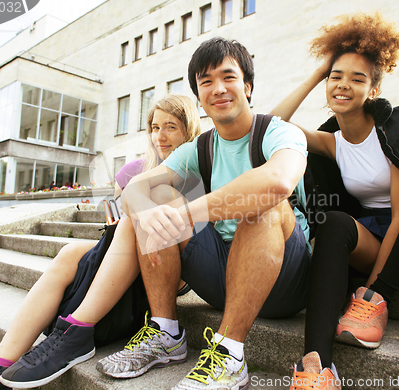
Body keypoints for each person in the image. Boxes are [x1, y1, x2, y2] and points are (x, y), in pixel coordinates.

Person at [96, 37, 311, 390]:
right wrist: (148, 211)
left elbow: (278, 181)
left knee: (262, 201)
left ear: (248, 85)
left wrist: (186, 213)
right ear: (199, 96)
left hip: (285, 278)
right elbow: (136, 187)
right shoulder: (201, 146)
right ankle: (166, 334)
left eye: (228, 77)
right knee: (158, 194)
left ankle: (230, 354)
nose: (218, 89)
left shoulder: (277, 131)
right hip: (222, 274)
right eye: (206, 81)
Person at [270, 12, 399, 389]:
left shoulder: (394, 130)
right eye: (335, 77)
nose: (343, 85)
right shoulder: (331, 142)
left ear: (373, 90)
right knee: (336, 222)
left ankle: (378, 299)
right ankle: (317, 368)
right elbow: (271, 125)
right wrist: (315, 75)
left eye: (357, 78)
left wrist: (371, 294)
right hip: (377, 240)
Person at [0, 94, 201, 390]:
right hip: (125, 251)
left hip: (166, 263)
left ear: (189, 129)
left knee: (138, 214)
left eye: (171, 127)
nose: (160, 136)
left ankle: (75, 332)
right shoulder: (133, 171)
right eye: (155, 127)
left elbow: (194, 230)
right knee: (68, 252)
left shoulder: (196, 170)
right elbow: (112, 221)